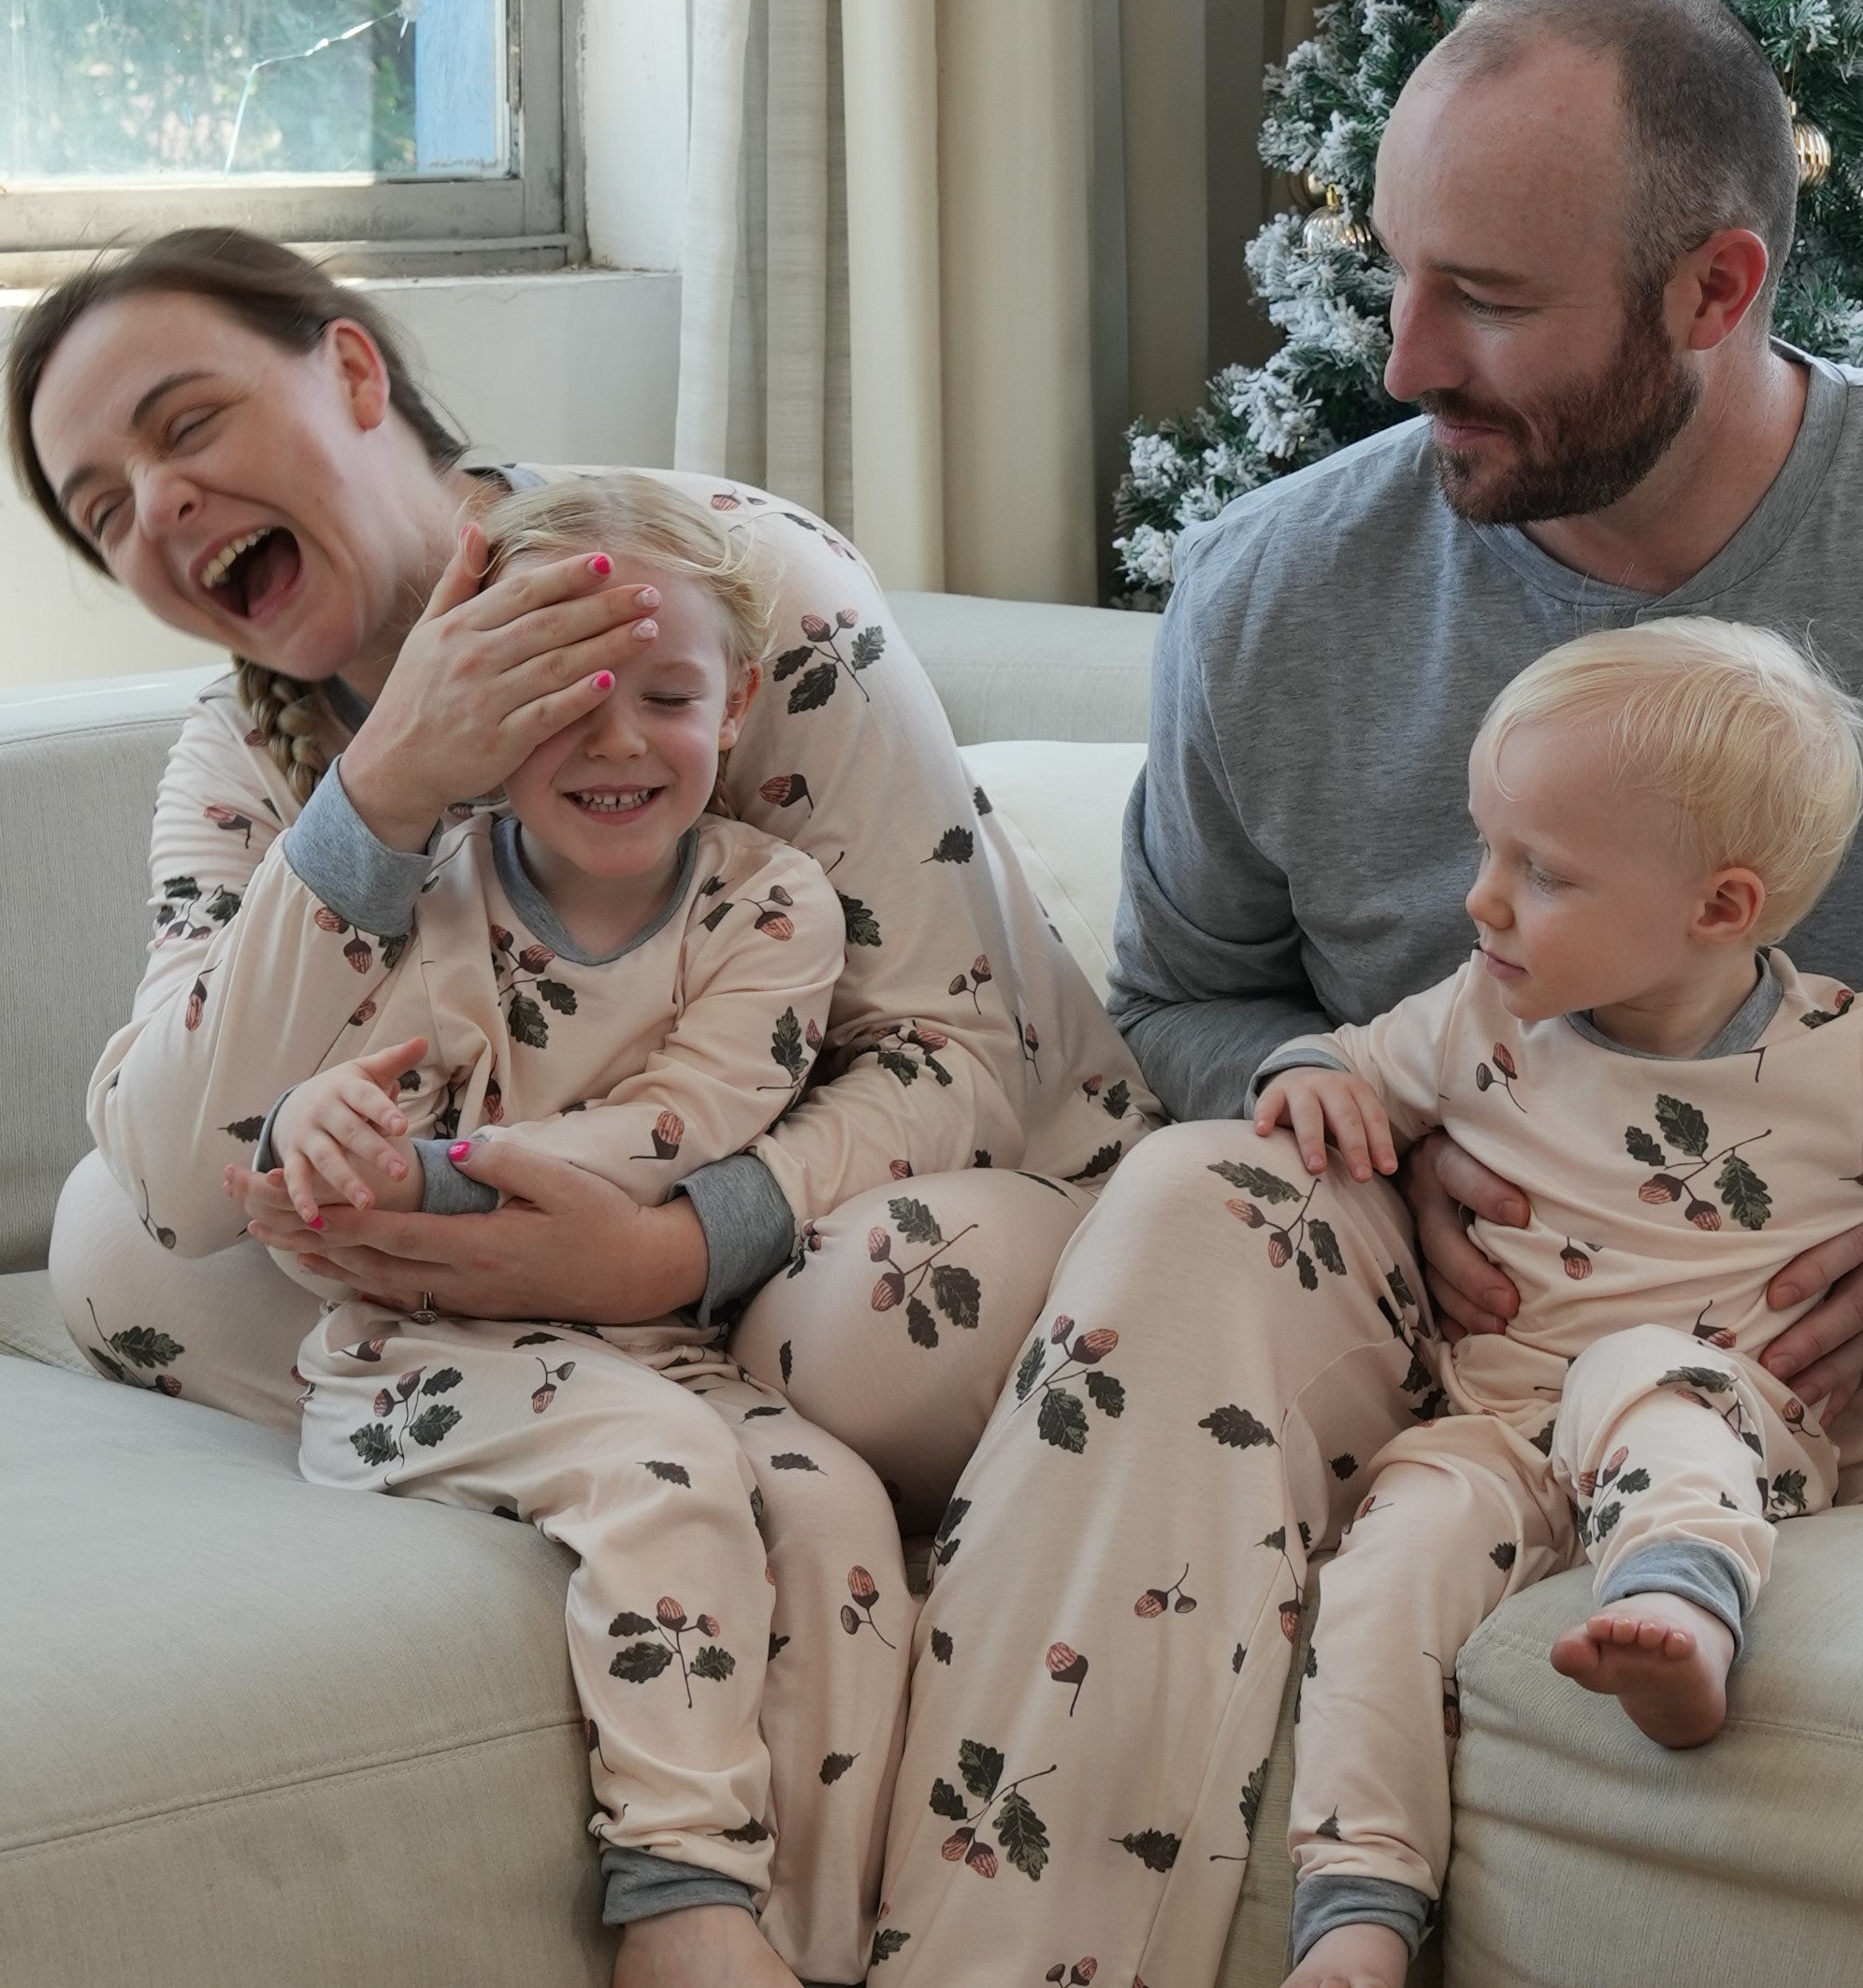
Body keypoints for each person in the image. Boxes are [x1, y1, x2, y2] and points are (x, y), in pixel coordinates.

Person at [876, 0, 1863, 1984]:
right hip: (1438, 1280)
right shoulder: (1274, 587)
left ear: (1710, 290)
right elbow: (1182, 1008)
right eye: (1390, 273)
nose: (1398, 358)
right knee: (1191, 1198)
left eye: (1484, 298)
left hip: (1846, 1316)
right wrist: (1371, 1137)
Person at [7, 228, 1154, 1988]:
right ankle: (642, 1433)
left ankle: (687, 1439)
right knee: (110, 1253)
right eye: (101, 507)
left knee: (890, 1332)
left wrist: (675, 1246)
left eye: (187, 424)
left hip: (875, 1215)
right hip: (511, 1235)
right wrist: (386, 788)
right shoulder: (249, 753)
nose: (156, 505)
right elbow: (176, 1181)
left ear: (355, 374)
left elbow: (960, 1048)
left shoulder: (719, 591)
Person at [201, 473, 903, 1986]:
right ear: (490, 713)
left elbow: (688, 1126)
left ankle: (827, 1944)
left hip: (653, 1335)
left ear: (728, 718)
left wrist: (436, 1173)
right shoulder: (438, 901)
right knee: (657, 1479)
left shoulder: (771, 908)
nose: (617, 741)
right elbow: (323, 1105)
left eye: (666, 696)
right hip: (413, 1355)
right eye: (568, 698)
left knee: (840, 1518)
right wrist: (323, 1128)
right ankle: (682, 1894)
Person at [1262, 619, 1863, 1987]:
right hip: (1502, 1427)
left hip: (1719, 1421)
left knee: (1646, 1368)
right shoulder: (1484, 1012)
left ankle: (1685, 1611)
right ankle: (1356, 1914)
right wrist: (1315, 1080)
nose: (1482, 900)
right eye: (1487, 849)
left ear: (1720, 909)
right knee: (1389, 1559)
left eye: (1542, 871)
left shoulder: (1859, 1062)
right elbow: (1347, 1059)